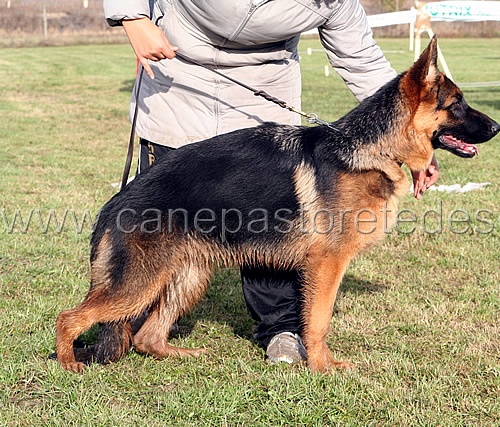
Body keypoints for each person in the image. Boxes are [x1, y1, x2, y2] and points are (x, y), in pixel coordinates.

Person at [103, 0, 440, 365]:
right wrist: (132, 15)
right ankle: (136, 324)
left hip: (261, 93)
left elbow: (362, 60)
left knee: (277, 226)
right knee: (158, 238)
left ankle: (280, 327)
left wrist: (407, 139)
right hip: (179, 78)